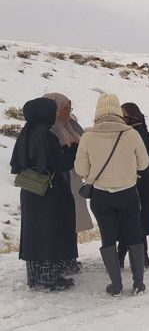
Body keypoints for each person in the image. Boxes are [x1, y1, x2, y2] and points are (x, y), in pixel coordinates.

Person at [74, 93, 149, 295]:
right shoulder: (131, 135)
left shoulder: (89, 136)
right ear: (118, 111)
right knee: (133, 235)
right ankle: (138, 284)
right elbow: (144, 164)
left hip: (101, 196)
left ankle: (115, 285)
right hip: (128, 194)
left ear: (98, 111)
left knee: (108, 238)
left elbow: (80, 170)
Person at [10, 98, 78, 291]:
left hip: (30, 189)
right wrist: (74, 150)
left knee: (34, 233)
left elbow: (19, 162)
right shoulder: (46, 134)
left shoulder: (26, 131)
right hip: (49, 189)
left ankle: (34, 277)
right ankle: (50, 278)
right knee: (51, 232)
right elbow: (60, 163)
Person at [43, 92, 94, 275]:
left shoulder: (69, 125)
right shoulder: (49, 129)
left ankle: (70, 258)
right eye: (65, 108)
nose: (68, 112)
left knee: (72, 220)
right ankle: (61, 260)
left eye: (69, 108)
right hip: (59, 179)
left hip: (73, 177)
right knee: (62, 220)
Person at [117, 102, 149, 270]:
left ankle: (128, 256)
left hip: (139, 182)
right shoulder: (137, 132)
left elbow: (142, 161)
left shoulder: (137, 134)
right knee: (135, 220)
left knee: (134, 220)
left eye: (123, 116)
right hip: (140, 181)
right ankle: (140, 257)